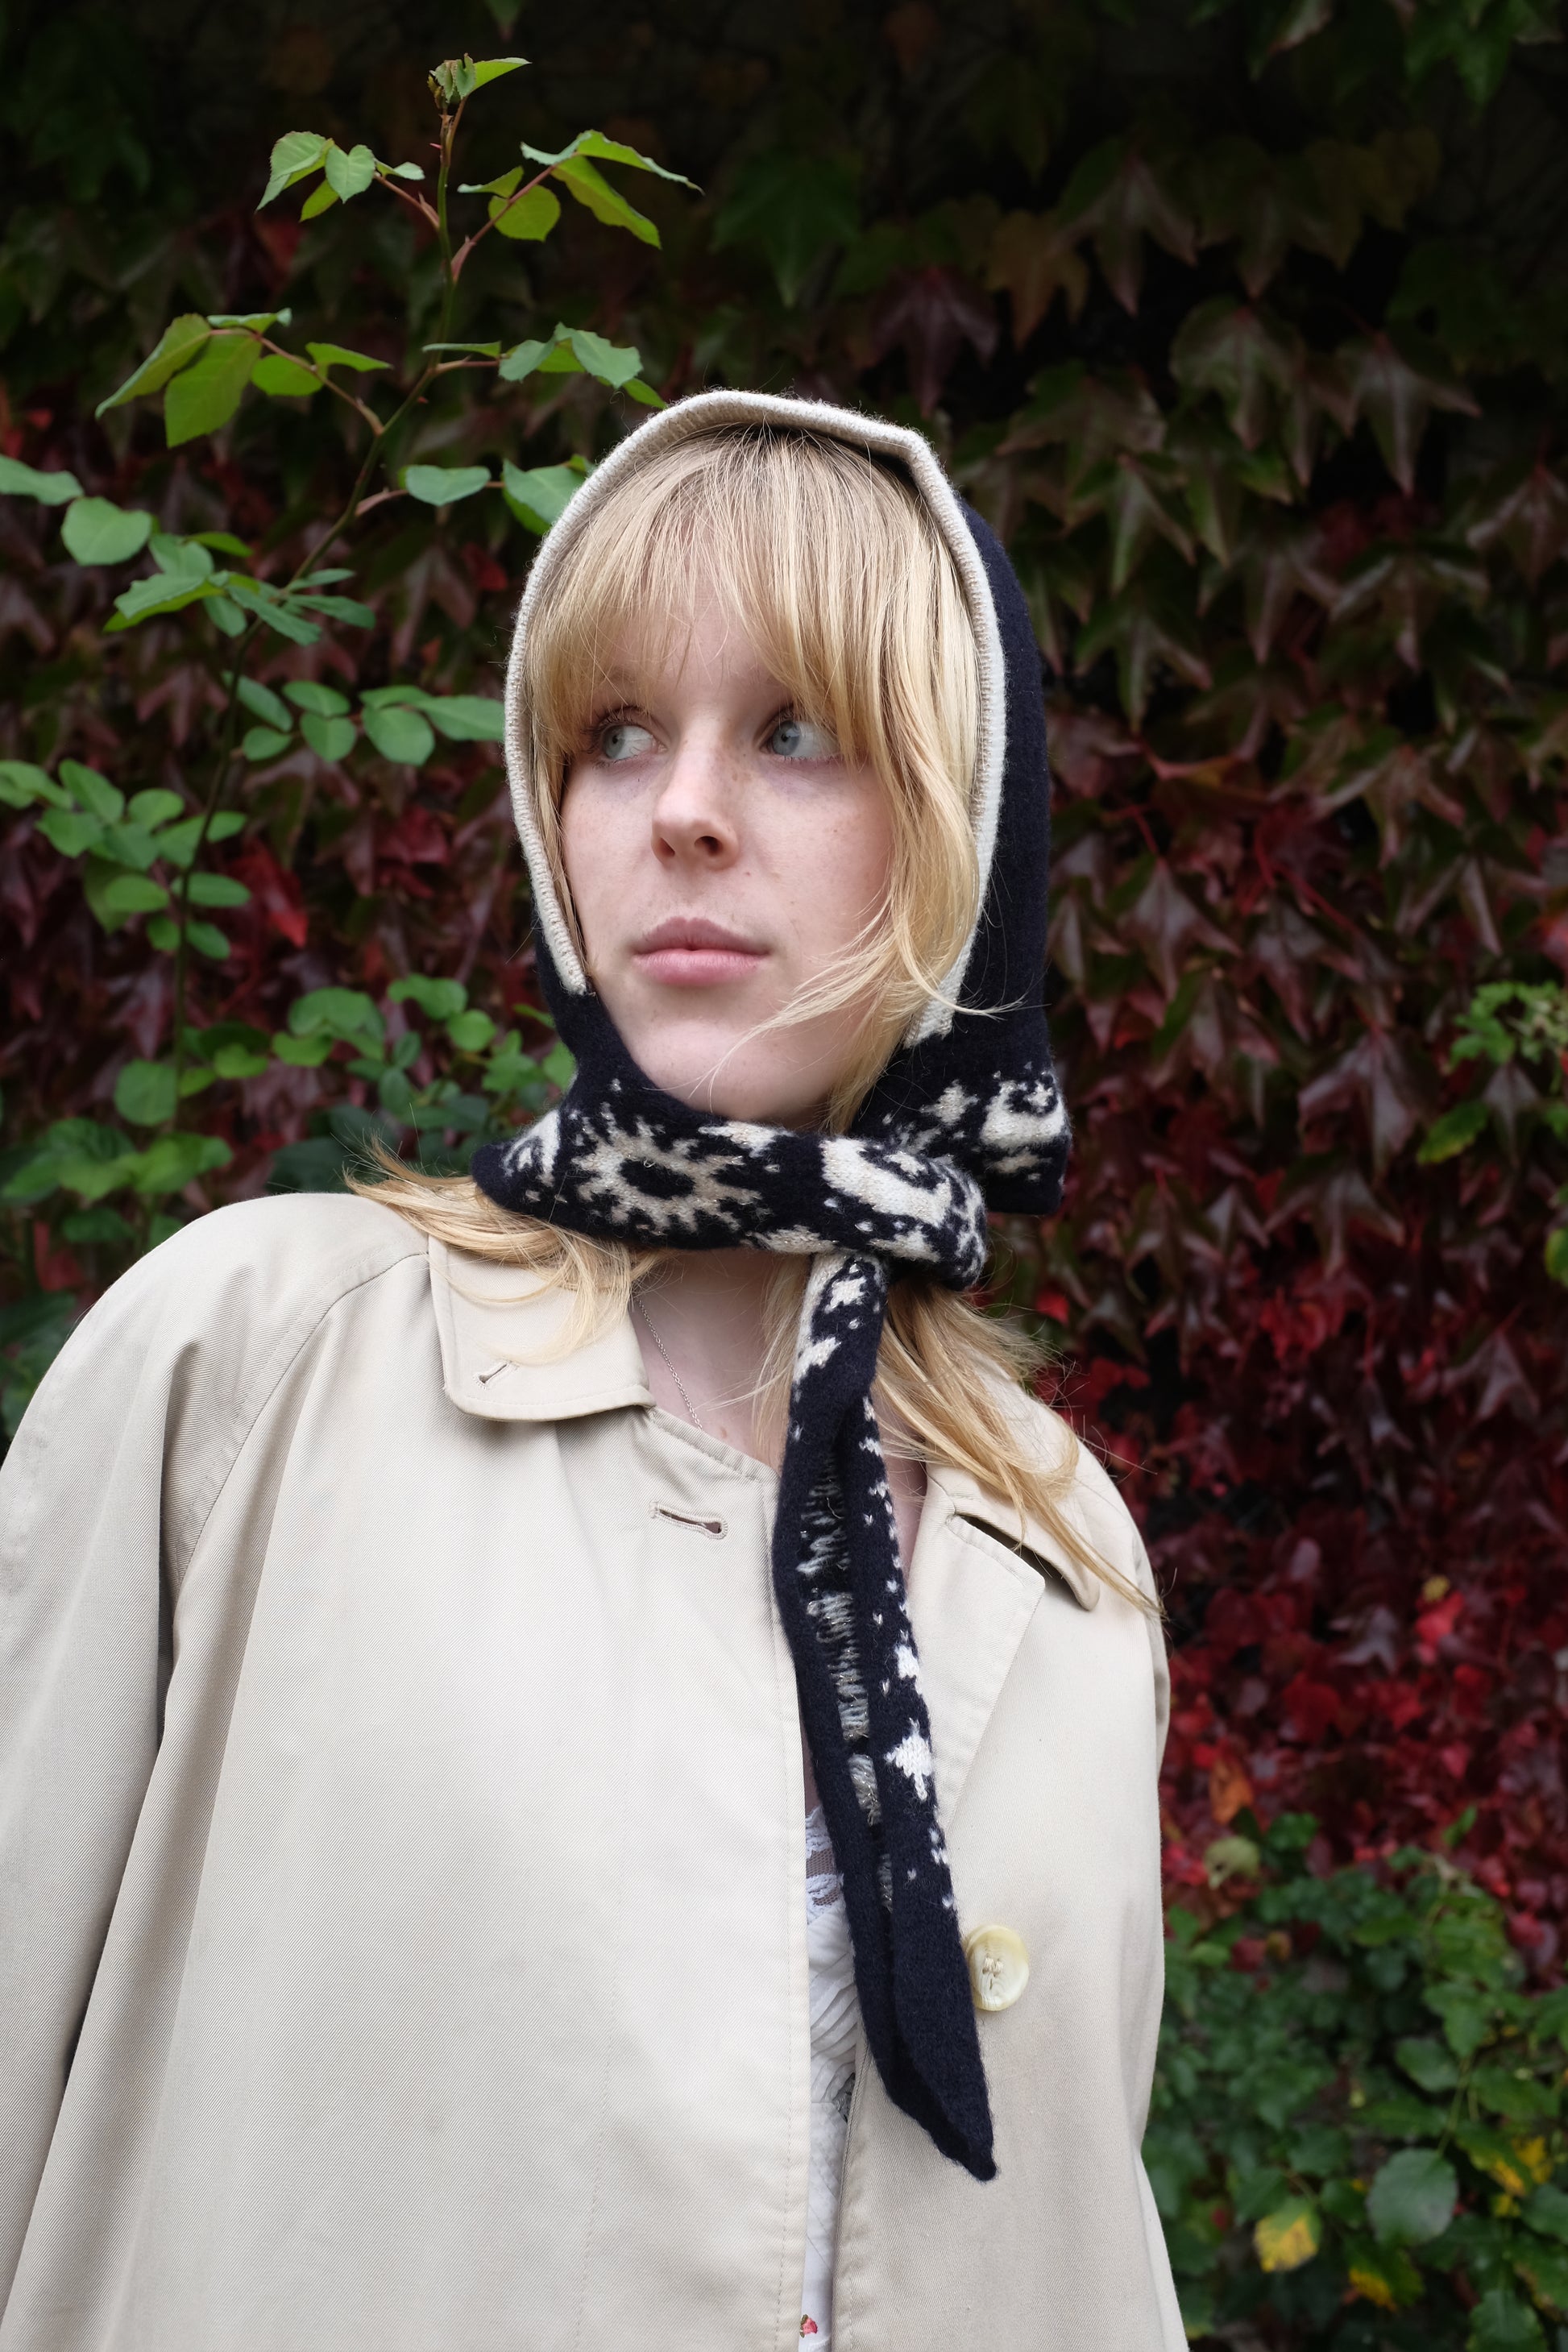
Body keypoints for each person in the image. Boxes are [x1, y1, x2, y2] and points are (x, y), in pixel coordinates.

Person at [0, 392, 1183, 2351]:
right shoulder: (255, 1367)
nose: (680, 807)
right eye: (614, 731)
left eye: (792, 731)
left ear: (962, 822)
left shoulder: (1060, 1549)